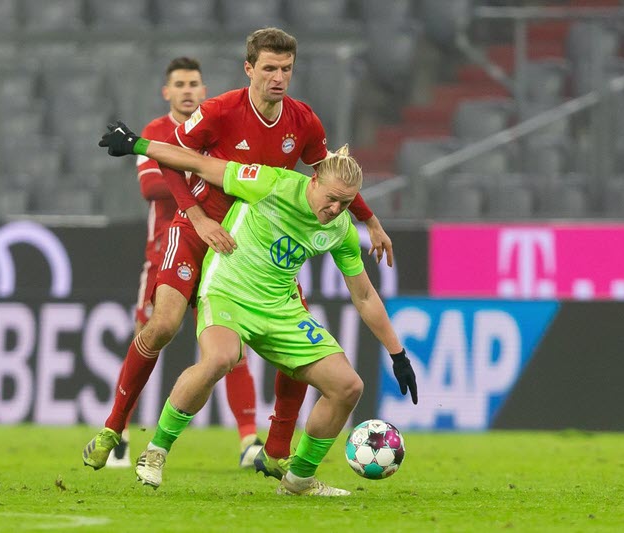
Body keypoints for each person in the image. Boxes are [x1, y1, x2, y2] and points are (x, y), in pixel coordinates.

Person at [82, 27, 395, 475]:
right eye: (269, 68)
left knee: (296, 334)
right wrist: (196, 216)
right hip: (198, 231)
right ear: (249, 68)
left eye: (286, 69)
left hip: (252, 247)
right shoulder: (220, 111)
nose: (278, 78)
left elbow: (331, 180)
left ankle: (275, 449)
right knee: (165, 324)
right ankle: (114, 428)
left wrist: (368, 219)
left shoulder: (304, 121)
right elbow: (176, 157)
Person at [98, 121, 419, 495]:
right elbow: (199, 165)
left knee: (348, 386)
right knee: (219, 359)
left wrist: (398, 353)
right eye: (331, 198)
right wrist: (137, 145)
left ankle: (298, 480)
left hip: (281, 309)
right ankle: (156, 451)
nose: (335, 209)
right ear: (313, 181)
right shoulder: (270, 183)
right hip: (228, 291)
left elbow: (364, 296)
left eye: (346, 203)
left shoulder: (341, 229)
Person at [103, 57, 262, 468]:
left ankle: (249, 441)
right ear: (167, 92)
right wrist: (207, 171)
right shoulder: (156, 133)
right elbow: (151, 185)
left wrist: (192, 167)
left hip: (221, 250)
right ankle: (119, 430)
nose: (188, 90)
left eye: (195, 83)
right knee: (153, 331)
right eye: (180, 84)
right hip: (166, 250)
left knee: (231, 348)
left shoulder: (218, 127)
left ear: (205, 91)